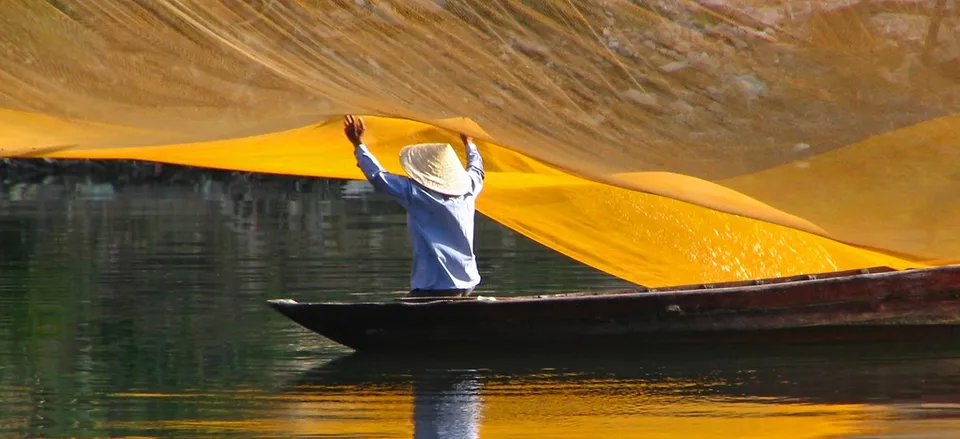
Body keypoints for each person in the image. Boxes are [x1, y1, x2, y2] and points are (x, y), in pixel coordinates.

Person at [343, 115, 485, 298]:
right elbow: (477, 170)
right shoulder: (469, 189)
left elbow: (378, 176)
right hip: (468, 282)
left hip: (435, 286)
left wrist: (357, 143)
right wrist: (469, 144)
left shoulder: (417, 193)